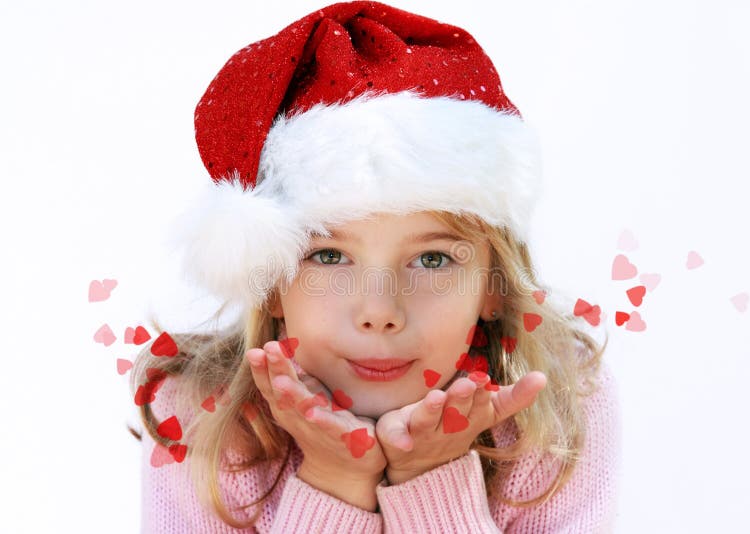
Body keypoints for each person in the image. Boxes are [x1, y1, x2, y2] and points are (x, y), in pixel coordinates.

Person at [130, 2, 621, 532]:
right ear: (270, 283)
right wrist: (332, 482)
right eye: (329, 256)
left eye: (432, 259)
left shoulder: (562, 408)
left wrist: (431, 477)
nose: (380, 312)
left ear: (492, 288)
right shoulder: (203, 417)